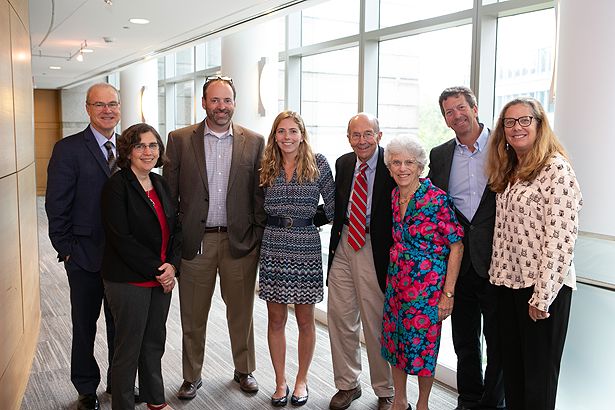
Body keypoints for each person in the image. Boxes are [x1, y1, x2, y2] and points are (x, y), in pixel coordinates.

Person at [164, 75, 266, 400]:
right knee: (193, 316)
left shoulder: (255, 140)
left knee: (241, 313)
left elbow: (259, 197)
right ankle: (191, 376)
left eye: (227, 101)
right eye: (215, 100)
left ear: (234, 103)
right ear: (204, 102)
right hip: (197, 243)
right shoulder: (179, 139)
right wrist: (173, 244)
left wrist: (257, 239)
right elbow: (169, 196)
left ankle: (244, 370)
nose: (221, 107)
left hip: (240, 243)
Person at [486, 98, 582, 410]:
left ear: (540, 124)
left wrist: (542, 297)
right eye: (509, 122)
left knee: (538, 383)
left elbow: (561, 238)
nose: (516, 128)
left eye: (525, 120)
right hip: (509, 285)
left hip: (543, 289)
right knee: (514, 375)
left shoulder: (555, 169)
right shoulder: (510, 168)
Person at [45, 83, 124, 410]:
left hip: (123, 259)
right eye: (100, 105)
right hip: (84, 256)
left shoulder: (130, 146)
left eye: (113, 104)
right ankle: (86, 388)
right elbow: (56, 205)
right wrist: (66, 250)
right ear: (88, 109)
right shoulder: (68, 149)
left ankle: (119, 382)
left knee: (120, 326)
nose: (107, 110)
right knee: (84, 326)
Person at [428, 86, 505, 410]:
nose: (456, 115)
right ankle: (469, 398)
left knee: (499, 340)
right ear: (445, 119)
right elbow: (435, 203)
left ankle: (494, 401)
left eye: (461, 108)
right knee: (464, 339)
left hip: (499, 259)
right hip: (458, 262)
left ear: (474, 107)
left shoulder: (503, 147)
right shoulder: (441, 154)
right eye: (449, 112)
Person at [101, 123, 181, 410]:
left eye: (153, 146)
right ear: (128, 151)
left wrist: (172, 265)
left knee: (153, 343)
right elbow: (122, 239)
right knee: (129, 349)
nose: (148, 152)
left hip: (161, 279)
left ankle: (155, 401)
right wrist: (160, 270)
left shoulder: (160, 184)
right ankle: (122, 405)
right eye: (140, 146)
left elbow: (175, 229)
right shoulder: (116, 186)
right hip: (128, 280)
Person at [381, 135, 464, 410]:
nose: (402, 168)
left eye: (409, 162)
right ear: (389, 167)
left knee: (424, 348)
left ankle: (423, 404)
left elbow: (457, 246)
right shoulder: (394, 195)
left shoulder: (436, 199)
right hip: (396, 284)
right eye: (396, 162)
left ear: (420, 167)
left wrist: (447, 294)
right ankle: (400, 401)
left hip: (427, 289)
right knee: (395, 343)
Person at [258, 111, 335, 407]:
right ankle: (280, 382)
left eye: (292, 131)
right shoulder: (266, 165)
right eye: (281, 131)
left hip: (305, 246)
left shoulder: (319, 164)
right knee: (276, 319)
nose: (286, 137)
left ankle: (301, 380)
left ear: (302, 134)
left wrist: (307, 220)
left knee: (305, 319)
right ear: (274, 135)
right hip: (274, 244)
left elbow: (333, 206)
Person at [325, 113, 396, 410]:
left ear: (379, 136)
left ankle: (385, 389)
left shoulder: (392, 164)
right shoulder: (342, 164)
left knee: (375, 320)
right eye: (356, 135)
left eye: (368, 134)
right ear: (348, 138)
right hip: (344, 244)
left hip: (373, 247)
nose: (362, 140)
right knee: (340, 318)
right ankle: (347, 384)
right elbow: (336, 205)